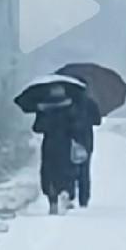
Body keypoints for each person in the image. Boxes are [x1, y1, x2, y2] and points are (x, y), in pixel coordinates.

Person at [31, 86, 75, 215]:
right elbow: (74, 127)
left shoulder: (44, 109)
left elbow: (36, 128)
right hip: (65, 143)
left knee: (49, 172)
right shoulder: (69, 108)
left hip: (49, 143)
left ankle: (53, 201)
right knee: (65, 170)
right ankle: (65, 193)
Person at [66, 85, 102, 208]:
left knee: (68, 168)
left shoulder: (68, 102)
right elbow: (98, 121)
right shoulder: (90, 103)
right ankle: (84, 199)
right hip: (86, 140)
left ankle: (70, 195)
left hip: (69, 139)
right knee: (84, 171)